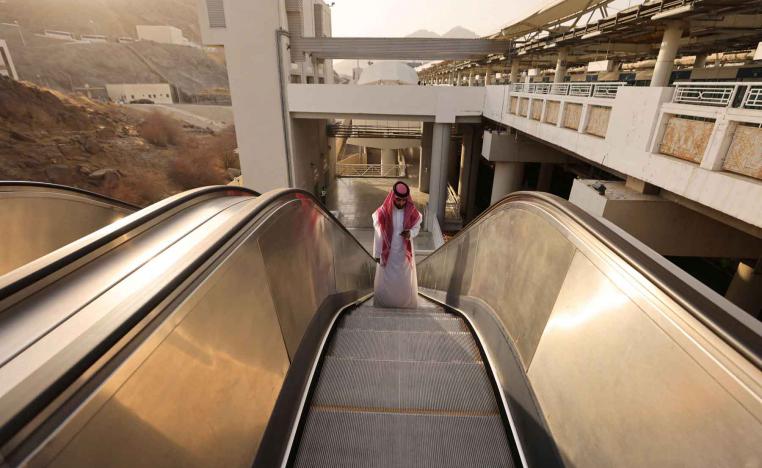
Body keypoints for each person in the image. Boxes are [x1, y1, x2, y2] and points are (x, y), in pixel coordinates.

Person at [372, 181, 422, 308]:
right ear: (393, 197)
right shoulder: (383, 213)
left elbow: (417, 228)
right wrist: (377, 254)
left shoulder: (412, 211)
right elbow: (378, 234)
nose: (401, 203)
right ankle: (386, 303)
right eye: (398, 200)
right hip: (387, 253)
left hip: (404, 254)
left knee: (403, 281)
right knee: (387, 280)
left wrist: (410, 233)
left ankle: (404, 304)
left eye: (403, 200)